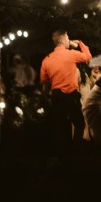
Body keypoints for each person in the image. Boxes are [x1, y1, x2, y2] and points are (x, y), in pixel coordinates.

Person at [40, 29, 92, 159]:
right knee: (79, 124)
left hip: (56, 96)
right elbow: (88, 57)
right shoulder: (70, 54)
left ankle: (62, 156)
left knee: (60, 126)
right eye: (68, 38)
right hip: (71, 95)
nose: (69, 41)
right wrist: (80, 43)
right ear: (62, 40)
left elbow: (44, 81)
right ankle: (75, 152)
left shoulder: (47, 59)